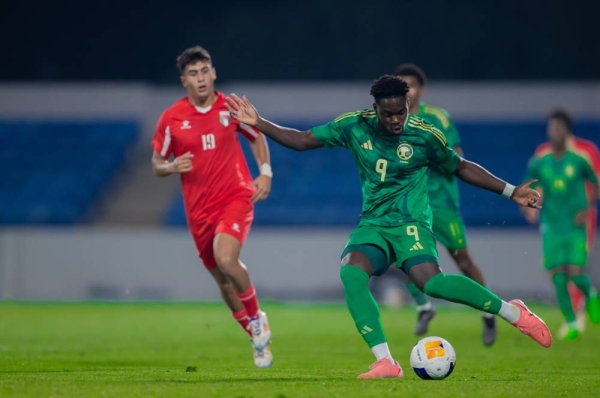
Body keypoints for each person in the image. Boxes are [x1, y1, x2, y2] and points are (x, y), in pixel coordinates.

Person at [225, 75, 552, 379]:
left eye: (401, 112)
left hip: (411, 222)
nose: (396, 120)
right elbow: (302, 139)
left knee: (432, 284)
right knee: (351, 273)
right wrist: (259, 123)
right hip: (374, 223)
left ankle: (512, 312)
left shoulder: (424, 135)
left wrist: (511, 192)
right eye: (389, 114)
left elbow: (461, 167)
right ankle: (386, 361)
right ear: (376, 109)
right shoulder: (354, 126)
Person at [151, 46, 273, 367]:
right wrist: (171, 166)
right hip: (198, 212)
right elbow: (157, 162)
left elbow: (256, 136)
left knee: (226, 257)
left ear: (214, 72)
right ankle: (255, 338)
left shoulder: (230, 107)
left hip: (235, 197)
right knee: (221, 280)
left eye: (205, 70)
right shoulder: (172, 118)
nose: (201, 78)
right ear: (184, 81)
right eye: (193, 73)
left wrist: (265, 172)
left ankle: (258, 318)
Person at [394, 63, 496, 344]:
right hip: (409, 205)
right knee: (398, 257)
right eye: (401, 85)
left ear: (421, 90)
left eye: (411, 85)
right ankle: (424, 307)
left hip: (441, 203)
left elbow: (458, 157)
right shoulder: (391, 120)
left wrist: (431, 154)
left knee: (462, 261)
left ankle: (488, 313)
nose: (407, 90)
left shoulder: (437, 118)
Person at [523, 109, 600, 340]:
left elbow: (595, 185)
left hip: (575, 224)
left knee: (575, 272)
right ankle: (572, 321)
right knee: (557, 275)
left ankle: (591, 295)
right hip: (552, 224)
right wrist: (530, 208)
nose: (554, 132)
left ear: (567, 130)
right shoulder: (540, 160)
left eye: (559, 127)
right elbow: (531, 188)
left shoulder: (580, 158)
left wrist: (586, 208)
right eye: (551, 127)